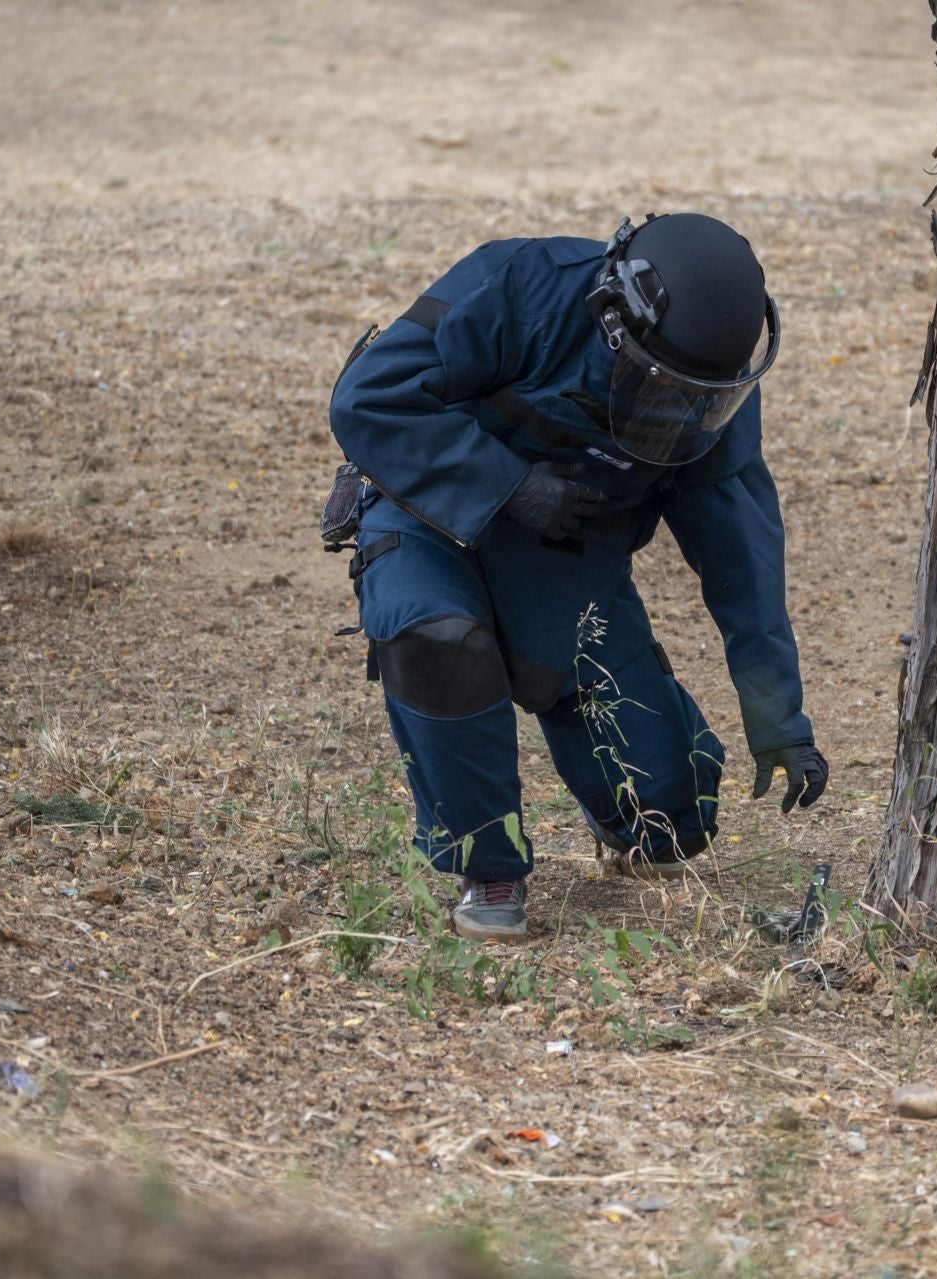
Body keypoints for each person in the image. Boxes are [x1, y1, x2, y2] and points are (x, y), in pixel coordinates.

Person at [327, 212, 827, 942]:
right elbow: (367, 399)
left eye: (696, 391)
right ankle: (487, 868)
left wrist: (778, 719)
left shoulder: (709, 391)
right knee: (440, 640)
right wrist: (507, 481)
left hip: (561, 557)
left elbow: (741, 556)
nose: (678, 406)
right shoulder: (520, 285)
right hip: (426, 520)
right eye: (662, 384)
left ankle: (636, 809)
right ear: (614, 322)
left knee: (673, 819)